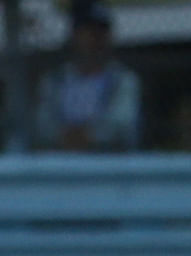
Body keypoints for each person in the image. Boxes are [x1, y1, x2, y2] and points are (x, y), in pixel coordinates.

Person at [36, 8, 140, 152]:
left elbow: (123, 124)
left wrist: (90, 135)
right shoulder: (55, 79)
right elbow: (43, 125)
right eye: (89, 32)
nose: (96, 39)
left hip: (109, 163)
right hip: (61, 162)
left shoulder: (123, 79)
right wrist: (64, 135)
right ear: (75, 36)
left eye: (102, 32)